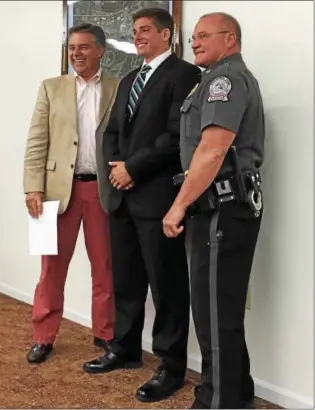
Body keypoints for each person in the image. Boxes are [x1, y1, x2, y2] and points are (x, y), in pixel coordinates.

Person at [82, 7, 201, 403]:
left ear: (168, 34)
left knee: (167, 284)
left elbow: (175, 137)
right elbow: (112, 130)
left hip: (157, 197)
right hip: (123, 197)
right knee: (127, 280)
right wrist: (118, 168)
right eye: (135, 31)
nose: (138, 36)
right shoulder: (132, 78)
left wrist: (132, 167)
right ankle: (125, 348)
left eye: (146, 29)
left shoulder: (184, 75)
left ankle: (170, 365)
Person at [163, 12, 265, 410]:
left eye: (205, 36)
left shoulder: (225, 80)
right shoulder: (214, 80)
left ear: (231, 39)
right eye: (193, 38)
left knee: (213, 316)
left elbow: (213, 150)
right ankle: (236, 395)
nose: (196, 42)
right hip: (223, 206)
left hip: (222, 207)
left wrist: (178, 206)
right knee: (219, 311)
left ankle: (217, 402)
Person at [23, 23, 119, 364]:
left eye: (83, 47)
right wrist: (32, 186)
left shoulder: (117, 88)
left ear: (100, 51)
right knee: (50, 268)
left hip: (102, 190)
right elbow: (37, 140)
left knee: (105, 268)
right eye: (71, 48)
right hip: (53, 193)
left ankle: (106, 334)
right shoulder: (51, 88)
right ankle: (43, 336)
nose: (76, 53)